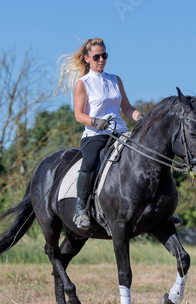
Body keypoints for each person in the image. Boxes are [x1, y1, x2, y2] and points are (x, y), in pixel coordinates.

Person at [55, 38, 143, 229]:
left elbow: (126, 108)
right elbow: (79, 115)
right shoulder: (83, 83)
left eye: (104, 55)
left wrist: (141, 117)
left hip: (120, 132)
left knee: (144, 156)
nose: (101, 59)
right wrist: (95, 121)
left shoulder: (115, 80)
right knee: (89, 162)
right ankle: (81, 209)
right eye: (97, 56)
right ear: (87, 59)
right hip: (95, 134)